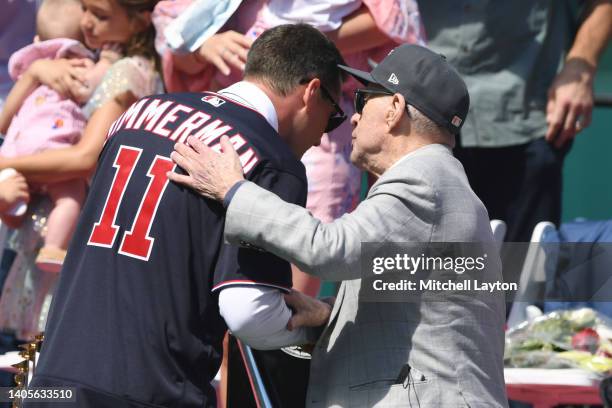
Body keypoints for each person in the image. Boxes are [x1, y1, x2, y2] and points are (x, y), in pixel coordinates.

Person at [169, 44, 509, 407]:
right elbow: (413, 307)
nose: (353, 117)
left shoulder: (423, 178)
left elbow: (330, 249)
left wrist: (234, 191)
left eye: (362, 100)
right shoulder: (439, 183)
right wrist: (327, 315)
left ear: (394, 109)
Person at [26, 24, 343, 408]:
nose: (323, 137)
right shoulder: (273, 160)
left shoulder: (137, 112)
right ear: (311, 92)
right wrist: (314, 328)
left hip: (54, 376)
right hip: (152, 389)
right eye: (333, 117)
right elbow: (249, 312)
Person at [0, 0, 162, 343]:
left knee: (44, 348)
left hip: (81, 228)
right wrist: (33, 73)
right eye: (85, 9)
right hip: (55, 221)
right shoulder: (102, 63)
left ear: (139, 21)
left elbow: (84, 158)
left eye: (100, 15)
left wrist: (4, 163)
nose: (86, 23)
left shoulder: (128, 71)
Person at [418, 1, 612, 242]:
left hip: (526, 118)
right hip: (422, 120)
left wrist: (581, 67)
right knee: (421, 272)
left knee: (523, 272)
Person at [0, 0, 124, 272]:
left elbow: (4, 122)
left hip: (15, 147)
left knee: (13, 199)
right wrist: (107, 62)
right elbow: (87, 89)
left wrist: (32, 74)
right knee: (70, 197)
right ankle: (54, 248)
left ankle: (10, 207)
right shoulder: (75, 62)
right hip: (52, 147)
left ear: (36, 38)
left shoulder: (31, 63)